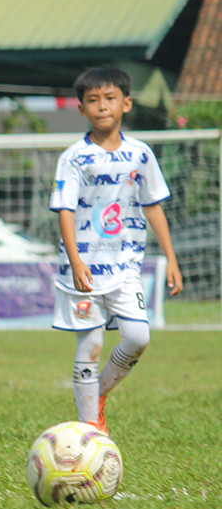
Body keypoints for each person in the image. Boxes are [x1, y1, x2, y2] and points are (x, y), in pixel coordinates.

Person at [50, 65, 183, 435]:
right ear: (81, 109)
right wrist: (74, 260)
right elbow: (65, 209)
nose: (102, 106)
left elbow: (153, 205)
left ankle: (98, 395)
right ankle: (89, 425)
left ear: (125, 104)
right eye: (93, 100)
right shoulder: (74, 157)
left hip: (125, 264)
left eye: (110, 99)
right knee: (91, 343)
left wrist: (171, 258)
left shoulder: (140, 154)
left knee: (139, 337)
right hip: (84, 268)